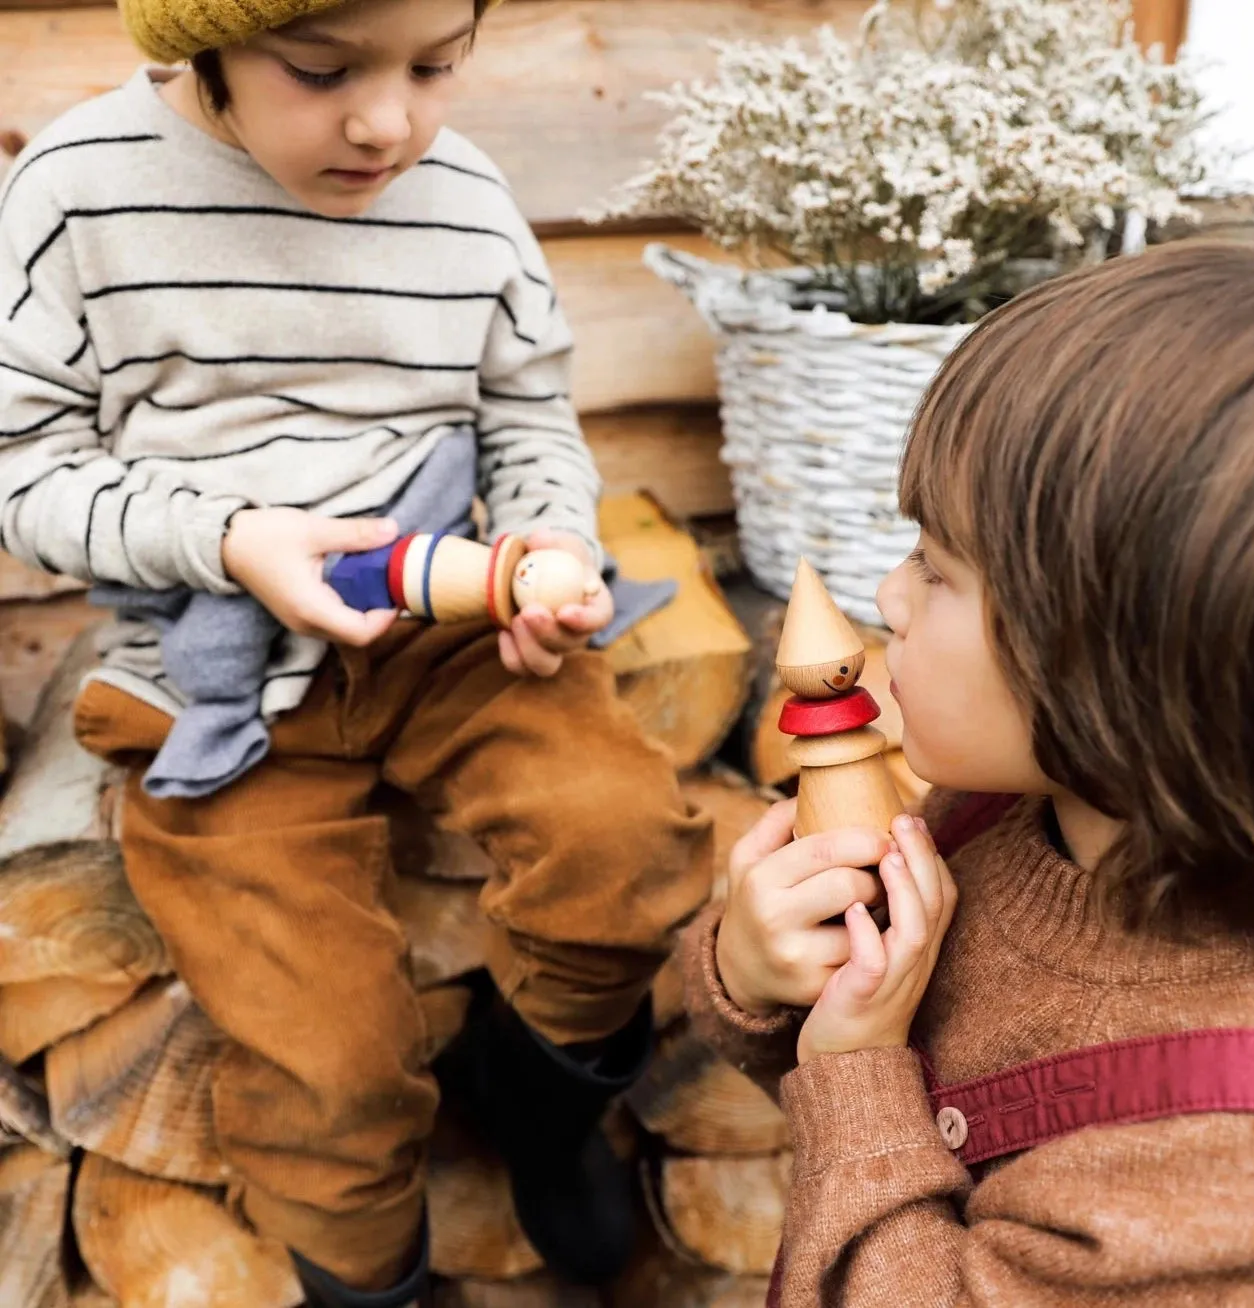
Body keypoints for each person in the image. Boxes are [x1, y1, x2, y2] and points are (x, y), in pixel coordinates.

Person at [0, 0, 712, 1303]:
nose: (389, 120)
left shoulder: (460, 194)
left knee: (622, 843)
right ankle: (367, 1274)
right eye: (322, 70)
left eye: (439, 66)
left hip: (447, 627)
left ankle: (535, 1103)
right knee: (326, 1063)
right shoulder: (80, 193)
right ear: (201, 42)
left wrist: (548, 545)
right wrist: (228, 538)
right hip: (216, 677)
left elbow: (527, 412)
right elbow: (24, 471)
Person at [687, 240, 1254, 1304]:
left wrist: (853, 1076)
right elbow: (872, 1036)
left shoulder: (1242, 1170)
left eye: (938, 567)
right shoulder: (1018, 810)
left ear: (1128, 661)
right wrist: (756, 977)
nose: (886, 596)